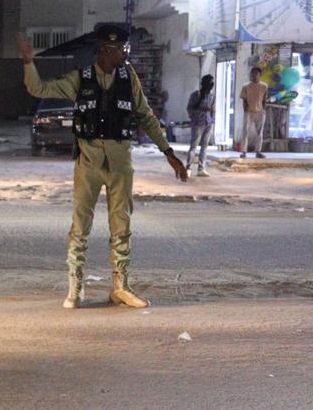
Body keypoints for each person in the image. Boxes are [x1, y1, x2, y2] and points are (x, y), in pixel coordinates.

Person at [18, 25, 188, 309]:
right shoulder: (80, 78)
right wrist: (27, 62)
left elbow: (145, 116)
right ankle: (75, 286)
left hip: (120, 162)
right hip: (89, 163)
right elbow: (38, 88)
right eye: (120, 49)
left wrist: (168, 152)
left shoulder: (128, 77)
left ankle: (120, 287)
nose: (124, 54)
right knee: (80, 226)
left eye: (124, 48)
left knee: (121, 225)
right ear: (106, 51)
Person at [185, 74, 215, 177]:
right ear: (204, 83)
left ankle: (201, 169)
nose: (212, 85)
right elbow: (189, 108)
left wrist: (212, 119)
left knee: (204, 146)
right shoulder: (196, 95)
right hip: (198, 123)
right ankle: (188, 168)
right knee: (194, 146)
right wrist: (198, 114)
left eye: (213, 83)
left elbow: (213, 109)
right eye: (210, 82)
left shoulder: (212, 95)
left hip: (208, 123)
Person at [239, 67, 268, 159]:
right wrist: (245, 110)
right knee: (245, 132)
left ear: (260, 75)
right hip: (249, 112)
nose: (254, 75)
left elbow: (264, 99)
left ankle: (258, 151)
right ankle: (243, 152)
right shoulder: (246, 86)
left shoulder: (264, 86)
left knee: (260, 132)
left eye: (256, 73)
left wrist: (263, 110)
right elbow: (244, 100)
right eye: (252, 73)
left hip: (260, 112)